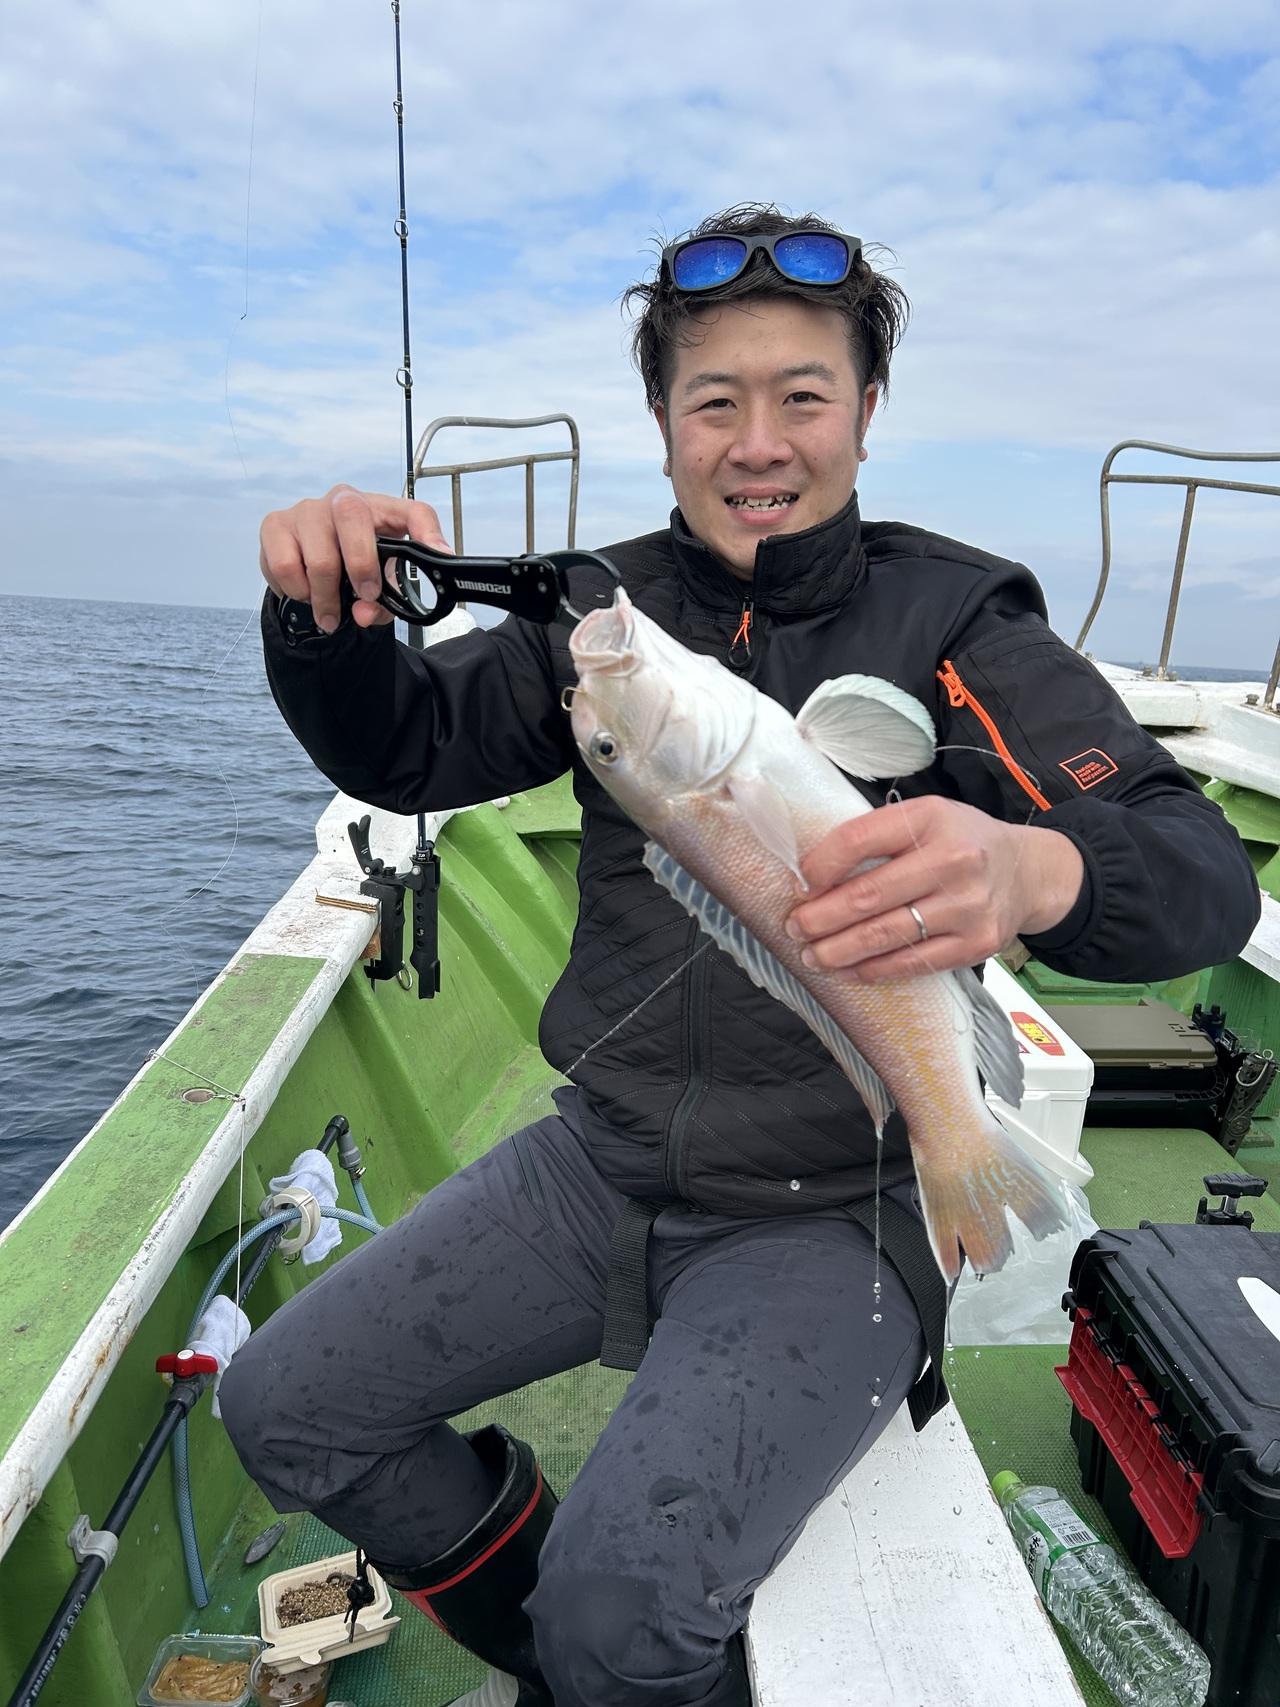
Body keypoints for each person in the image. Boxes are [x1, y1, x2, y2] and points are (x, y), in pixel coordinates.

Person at [219, 204, 1259, 1707]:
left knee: (625, 1610)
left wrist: (1035, 866)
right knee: (285, 1406)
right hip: (603, 1156)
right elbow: (408, 744)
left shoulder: (956, 618)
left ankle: (608, 1658)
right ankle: (565, 1658)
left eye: (803, 397)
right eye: (714, 401)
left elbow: (1200, 871)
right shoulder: (604, 616)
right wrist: (324, 621)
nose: (758, 443)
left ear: (867, 411)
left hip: (838, 1204)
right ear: (661, 423)